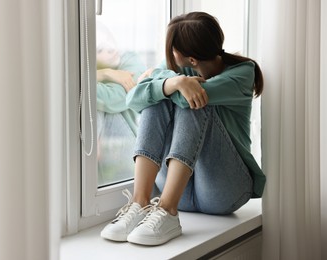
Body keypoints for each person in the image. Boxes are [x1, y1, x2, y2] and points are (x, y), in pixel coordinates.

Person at [100, 11, 266, 246]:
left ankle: (167, 211)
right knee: (159, 98)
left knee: (194, 101)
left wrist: (160, 80)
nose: (170, 54)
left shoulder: (242, 73)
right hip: (182, 191)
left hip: (225, 190)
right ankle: (140, 203)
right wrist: (174, 81)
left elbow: (184, 98)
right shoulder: (181, 72)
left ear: (191, 60)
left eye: (173, 50)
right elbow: (134, 100)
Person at [95, 21, 146, 185]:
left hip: (129, 160)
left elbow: (114, 98)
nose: (111, 49)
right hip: (98, 161)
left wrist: (93, 77)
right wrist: (104, 74)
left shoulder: (130, 60)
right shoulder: (95, 71)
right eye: (99, 49)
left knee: (95, 101)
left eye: (110, 41)